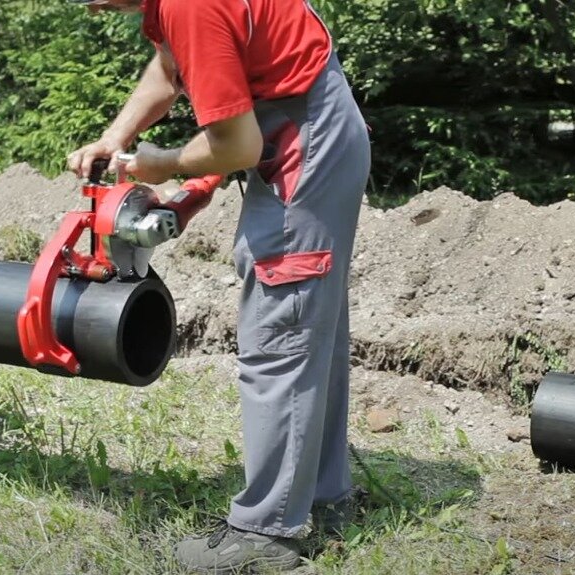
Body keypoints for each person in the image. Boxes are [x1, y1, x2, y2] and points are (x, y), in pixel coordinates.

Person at [67, 0, 371, 571]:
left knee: (282, 329)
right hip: (302, 121)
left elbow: (237, 146)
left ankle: (266, 536)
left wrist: (165, 163)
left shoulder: (189, 6)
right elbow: (166, 71)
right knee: (309, 328)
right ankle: (325, 497)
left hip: (305, 136)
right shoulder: (171, 9)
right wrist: (118, 137)